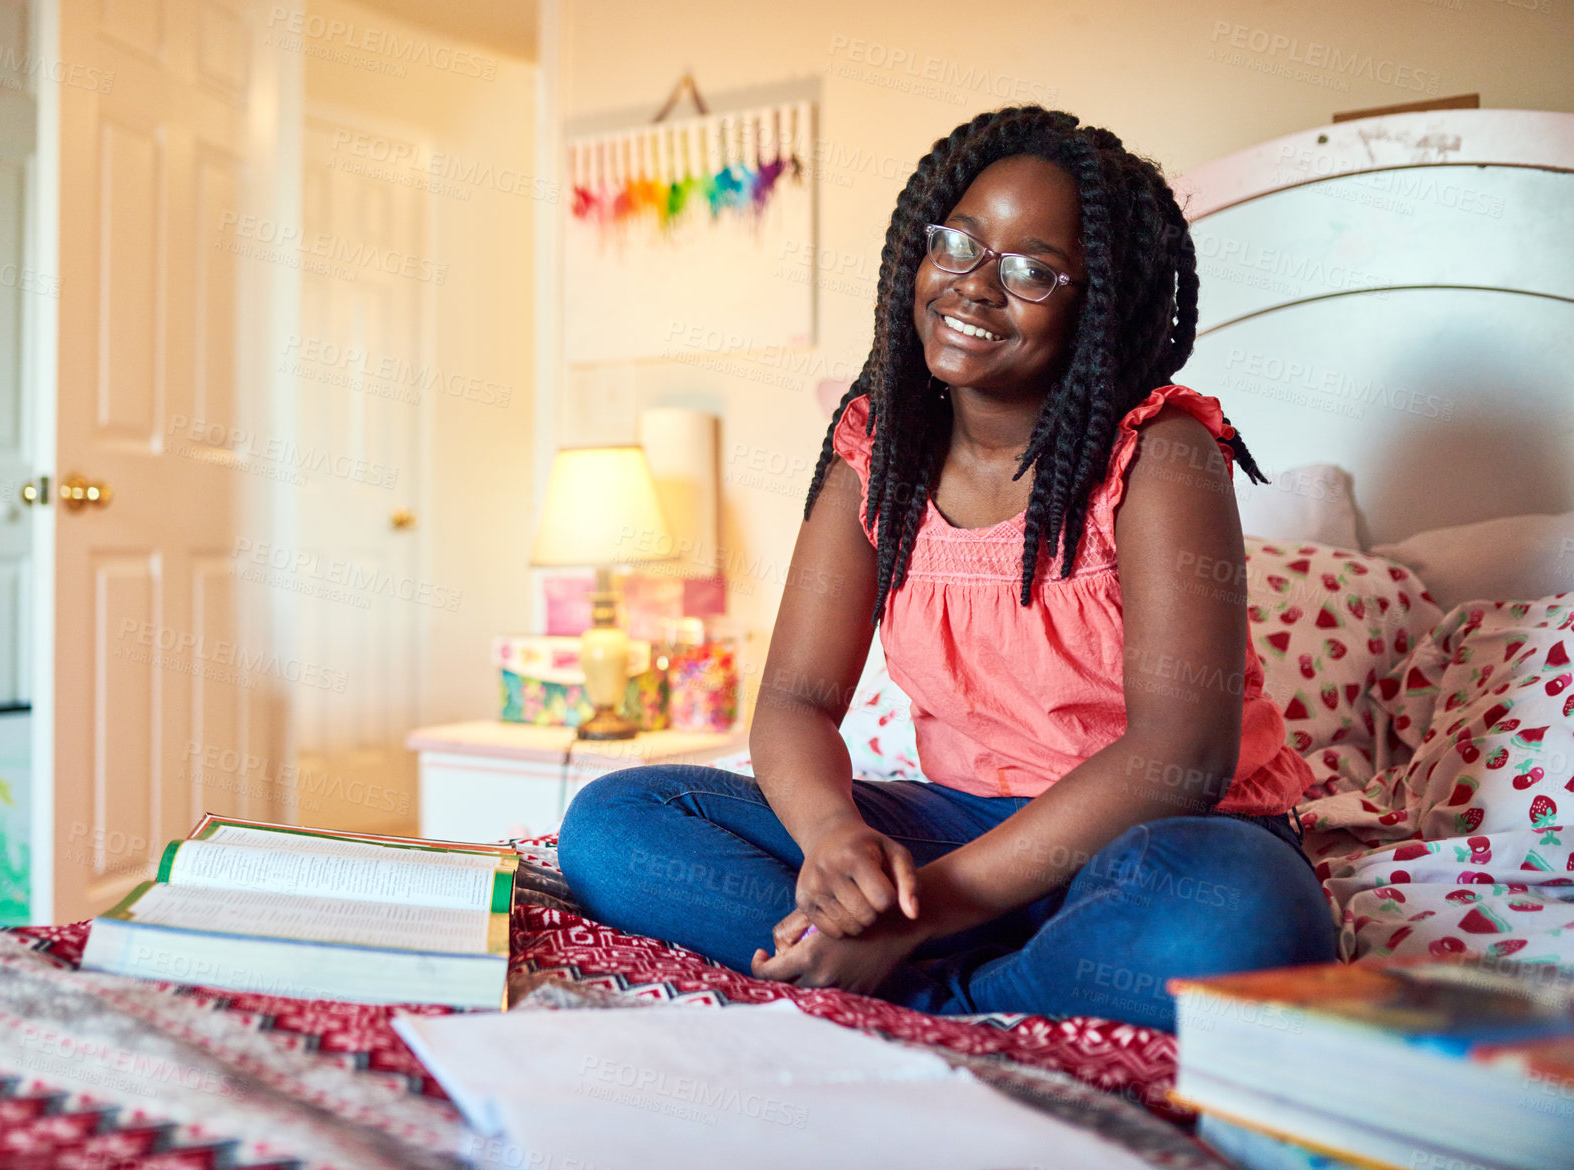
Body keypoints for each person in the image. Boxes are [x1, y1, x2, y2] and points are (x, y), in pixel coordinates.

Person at [555, 106, 1338, 1032]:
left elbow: (1183, 757)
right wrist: (837, 846)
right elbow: (796, 700)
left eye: (1031, 270)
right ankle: (963, 986)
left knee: (1246, 917)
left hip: (1154, 845)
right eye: (957, 244)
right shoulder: (875, 455)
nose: (972, 288)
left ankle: (935, 989)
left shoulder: (1161, 454)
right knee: (620, 819)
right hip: (959, 828)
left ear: (1099, 305)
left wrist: (919, 913)